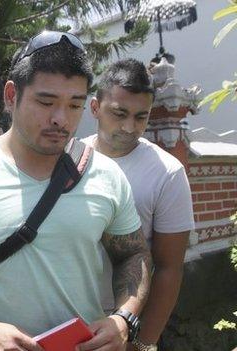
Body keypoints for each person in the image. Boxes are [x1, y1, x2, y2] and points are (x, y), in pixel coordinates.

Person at [0, 31, 153, 351]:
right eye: (46, 102)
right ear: (11, 96)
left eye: (74, 105)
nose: (61, 119)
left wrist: (123, 319)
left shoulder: (106, 175)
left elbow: (133, 253)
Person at [83, 58, 194, 351]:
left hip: (122, 323)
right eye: (119, 113)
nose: (130, 127)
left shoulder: (167, 173)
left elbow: (170, 268)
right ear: (95, 108)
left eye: (140, 117)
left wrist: (143, 343)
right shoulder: (70, 159)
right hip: (64, 316)